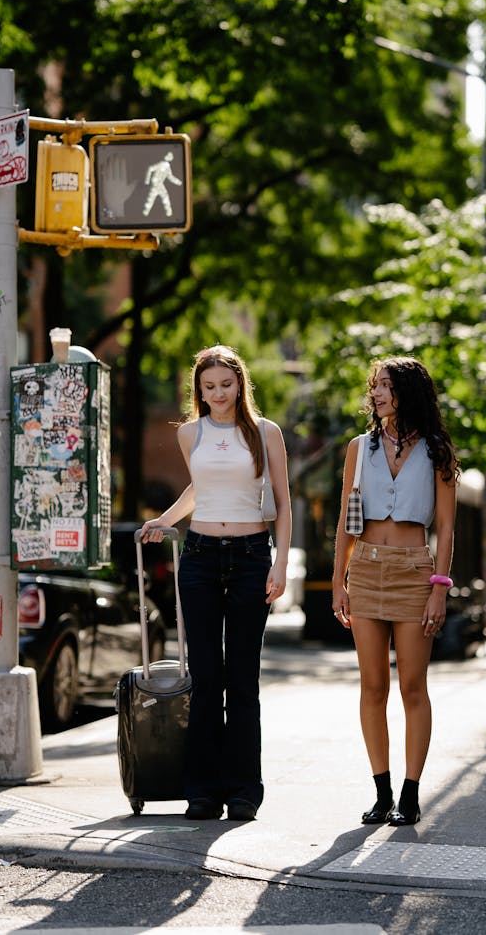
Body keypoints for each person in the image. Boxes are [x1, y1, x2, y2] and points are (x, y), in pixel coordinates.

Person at [140, 344, 292, 823]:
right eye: (209, 387)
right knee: (205, 679)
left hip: (251, 558)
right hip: (200, 556)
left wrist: (280, 564)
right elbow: (198, 489)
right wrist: (163, 521)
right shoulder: (190, 433)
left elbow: (283, 503)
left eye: (226, 385)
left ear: (240, 384)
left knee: (242, 680)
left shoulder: (266, 433)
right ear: (198, 390)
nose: (218, 394)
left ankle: (244, 792)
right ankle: (202, 792)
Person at [332, 355, 458, 827]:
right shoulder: (358, 448)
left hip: (414, 572)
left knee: (412, 686)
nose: (377, 393)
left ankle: (411, 793)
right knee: (372, 686)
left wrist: (439, 589)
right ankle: (381, 792)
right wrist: (339, 584)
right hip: (365, 568)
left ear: (408, 391)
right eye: (375, 386)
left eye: (386, 385)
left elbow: (445, 529)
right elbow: (347, 520)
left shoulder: (436, 451)